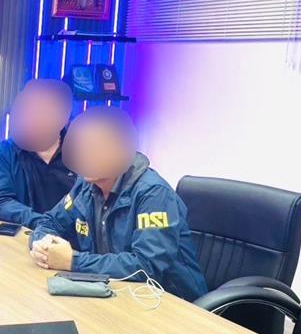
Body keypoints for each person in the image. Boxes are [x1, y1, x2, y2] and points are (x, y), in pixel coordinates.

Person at [28, 108, 208, 302]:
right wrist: (42, 246)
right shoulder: (85, 185)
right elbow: (50, 222)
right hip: (116, 294)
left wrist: (72, 260)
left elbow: (146, 267)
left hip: (169, 303)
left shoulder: (153, 193)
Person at [0, 79, 76, 229]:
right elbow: (0, 202)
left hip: (72, 237)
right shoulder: (5, 151)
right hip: (29, 232)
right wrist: (41, 222)